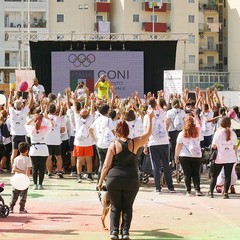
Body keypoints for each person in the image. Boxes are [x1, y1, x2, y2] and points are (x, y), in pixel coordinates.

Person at [97, 110, 154, 240]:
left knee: (115, 206)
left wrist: (100, 182)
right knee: (127, 206)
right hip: (131, 179)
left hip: (114, 179)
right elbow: (148, 133)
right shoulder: (134, 143)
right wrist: (150, 118)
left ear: (117, 133)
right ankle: (125, 232)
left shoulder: (113, 145)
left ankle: (114, 232)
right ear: (128, 132)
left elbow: (105, 166)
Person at [143, 97, 175, 193]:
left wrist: (145, 145)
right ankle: (170, 187)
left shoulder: (147, 116)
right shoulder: (163, 113)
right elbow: (168, 123)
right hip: (164, 142)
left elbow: (145, 131)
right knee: (166, 165)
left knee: (155, 166)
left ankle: (158, 188)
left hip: (153, 143)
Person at [209, 116, 238, 199]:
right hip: (230, 157)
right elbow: (235, 146)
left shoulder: (218, 133)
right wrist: (235, 156)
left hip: (220, 157)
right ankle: (225, 193)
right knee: (227, 176)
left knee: (214, 175)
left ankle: (211, 192)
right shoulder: (233, 133)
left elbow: (214, 146)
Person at [175, 112, 203, 196]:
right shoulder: (197, 131)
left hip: (184, 155)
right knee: (196, 173)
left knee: (187, 173)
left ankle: (188, 191)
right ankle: (197, 190)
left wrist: (176, 156)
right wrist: (195, 115)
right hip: (196, 155)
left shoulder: (181, 134)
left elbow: (178, 146)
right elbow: (199, 123)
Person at [25, 113, 53, 190]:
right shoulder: (45, 128)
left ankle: (34, 184)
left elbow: (26, 124)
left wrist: (32, 118)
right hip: (43, 148)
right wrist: (47, 118)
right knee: (42, 167)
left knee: (34, 167)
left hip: (34, 149)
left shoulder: (31, 128)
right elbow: (52, 125)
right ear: (42, 121)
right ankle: (40, 184)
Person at [9, 142, 32, 214]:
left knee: (14, 193)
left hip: (16, 178)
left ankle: (11, 207)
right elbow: (28, 171)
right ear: (27, 150)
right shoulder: (28, 159)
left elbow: (14, 169)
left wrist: (20, 172)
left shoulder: (16, 159)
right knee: (23, 195)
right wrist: (25, 175)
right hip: (24, 180)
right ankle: (21, 208)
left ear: (19, 150)